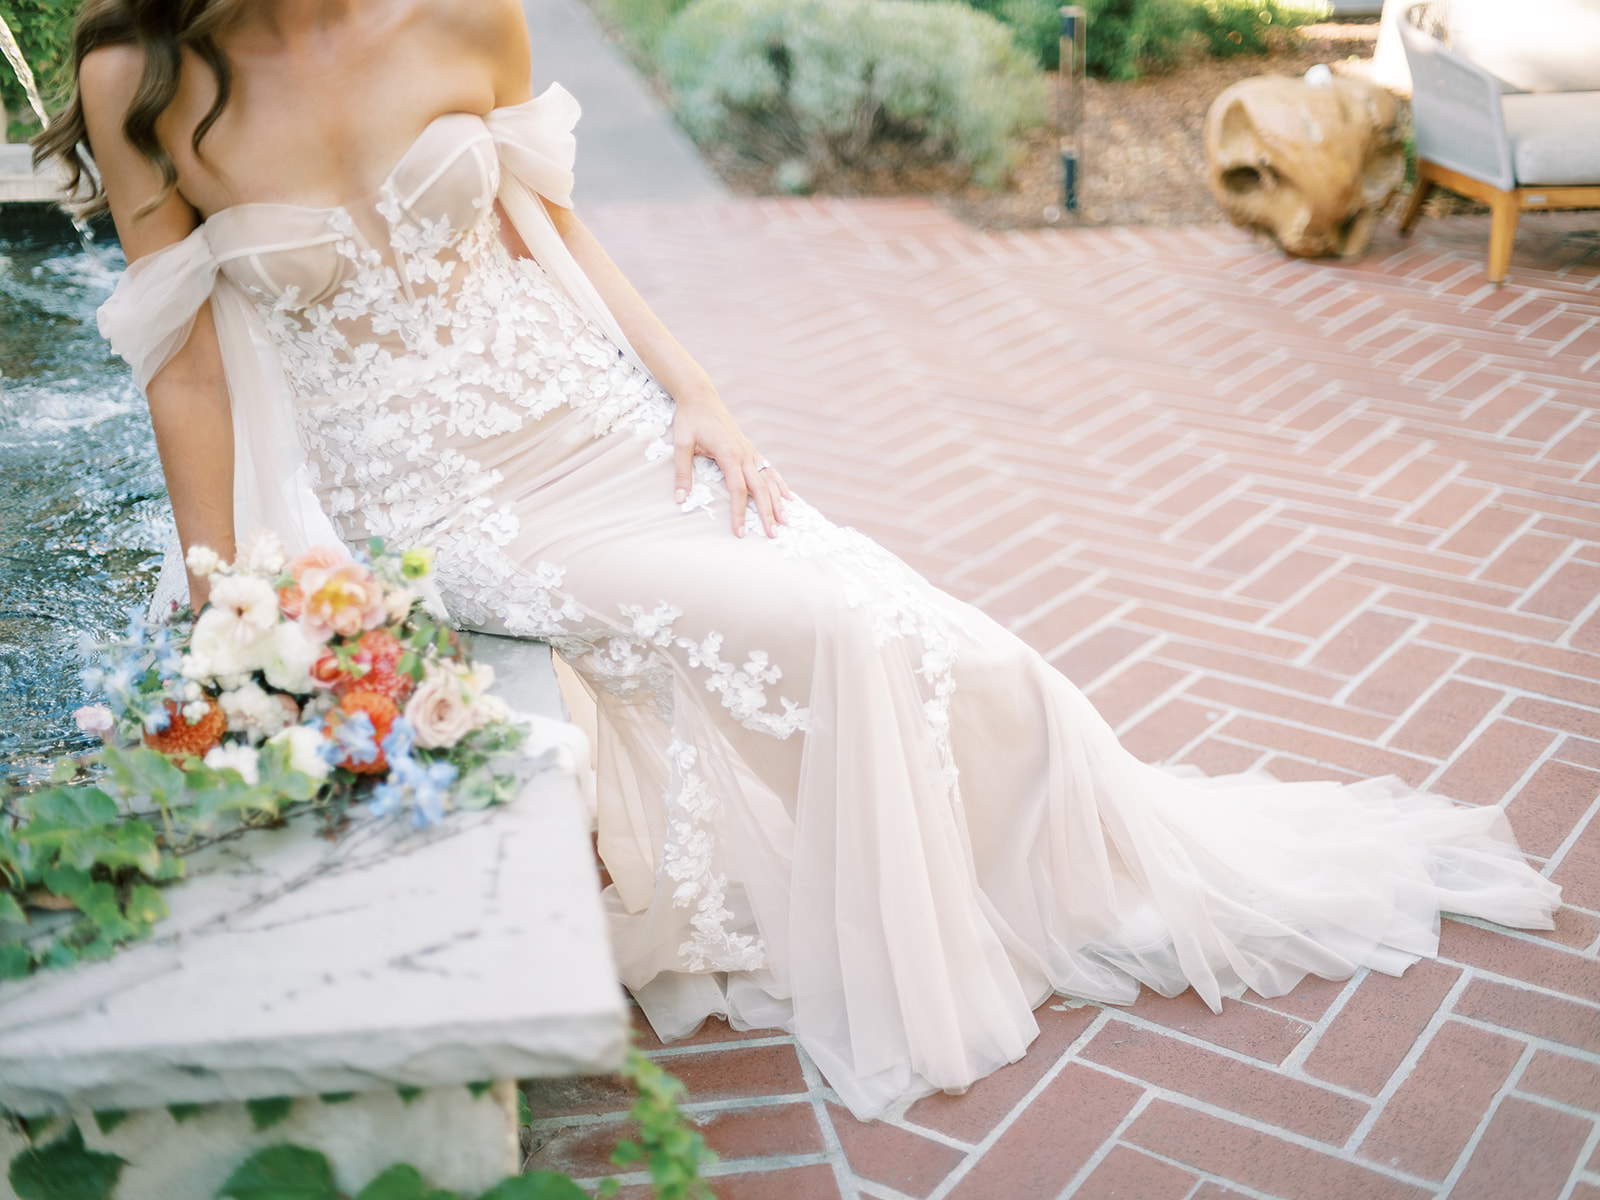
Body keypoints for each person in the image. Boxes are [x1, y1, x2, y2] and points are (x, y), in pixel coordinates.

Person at [43, 0, 1560, 1121]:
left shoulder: (460, 13)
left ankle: (1090, 859)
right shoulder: (142, 79)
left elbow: (550, 224)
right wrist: (233, 600)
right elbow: (181, 367)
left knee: (935, 639)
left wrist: (696, 393)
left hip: (588, 431)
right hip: (448, 514)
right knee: (830, 639)